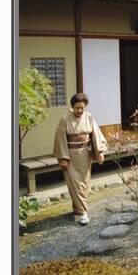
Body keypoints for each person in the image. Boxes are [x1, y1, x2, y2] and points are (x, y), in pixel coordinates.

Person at [53, 93, 107, 225]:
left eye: (82, 108)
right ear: (72, 107)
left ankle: (77, 209)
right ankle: (83, 213)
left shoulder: (88, 117)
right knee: (74, 185)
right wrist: (62, 157)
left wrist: (99, 151)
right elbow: (60, 138)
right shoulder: (65, 119)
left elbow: (96, 134)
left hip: (84, 155)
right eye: (77, 108)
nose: (80, 111)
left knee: (84, 184)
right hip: (70, 156)